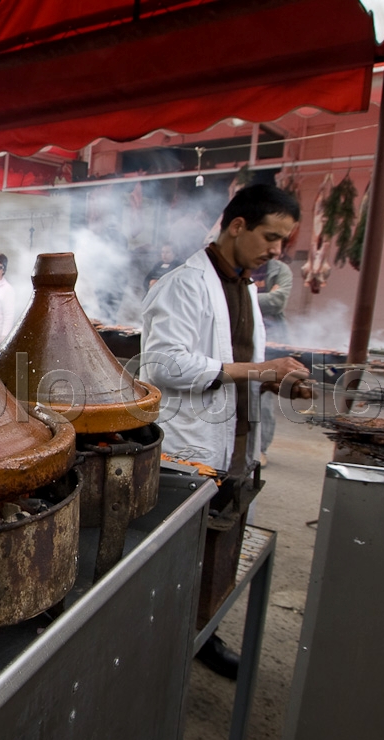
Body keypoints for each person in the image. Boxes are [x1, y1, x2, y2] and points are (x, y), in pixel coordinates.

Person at [139, 184, 309, 679]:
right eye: (271, 237)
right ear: (237, 226)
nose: (277, 251)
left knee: (218, 554)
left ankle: (204, 636)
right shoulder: (183, 284)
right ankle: (158, 650)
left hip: (233, 446)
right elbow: (164, 364)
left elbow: (237, 365)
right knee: (177, 560)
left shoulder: (243, 287)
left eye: (283, 240)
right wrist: (261, 372)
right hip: (189, 449)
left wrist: (278, 383)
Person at [253, 252, 293, 467]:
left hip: (271, 339)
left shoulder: (280, 270)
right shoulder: (239, 268)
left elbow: (277, 301)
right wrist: (263, 297)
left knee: (263, 396)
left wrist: (244, 295)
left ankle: (261, 448)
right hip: (238, 336)